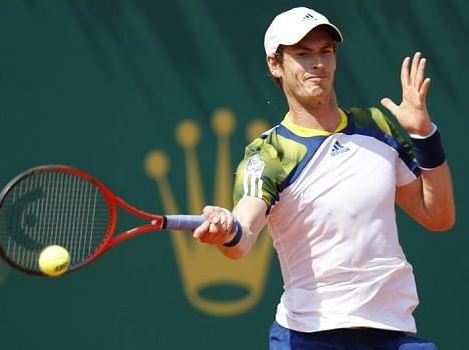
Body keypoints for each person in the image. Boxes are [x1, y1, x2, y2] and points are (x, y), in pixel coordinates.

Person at [193, 6, 455, 350]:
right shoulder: (269, 153)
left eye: (325, 52)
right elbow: (243, 234)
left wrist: (424, 137)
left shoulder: (378, 126)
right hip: (309, 337)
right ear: (275, 64)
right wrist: (227, 230)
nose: (318, 63)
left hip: (391, 331)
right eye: (303, 54)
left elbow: (438, 217)